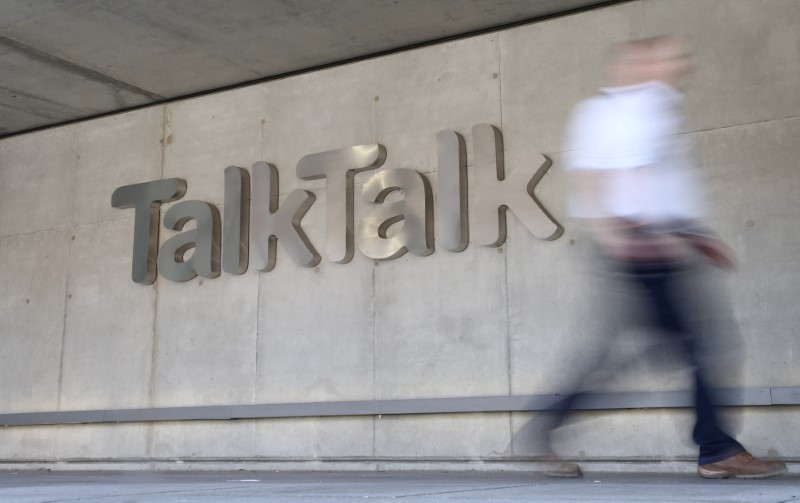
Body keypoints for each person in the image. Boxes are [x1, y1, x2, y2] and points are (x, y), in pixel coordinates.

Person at [545, 35, 787, 479]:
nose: (678, 66)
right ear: (635, 63)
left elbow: (662, 185)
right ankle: (715, 450)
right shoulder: (606, 111)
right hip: (639, 246)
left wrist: (694, 237)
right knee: (703, 346)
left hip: (663, 244)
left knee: (658, 350)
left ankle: (547, 428)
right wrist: (617, 233)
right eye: (667, 59)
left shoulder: (659, 106)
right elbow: (595, 175)